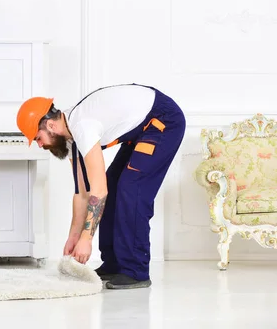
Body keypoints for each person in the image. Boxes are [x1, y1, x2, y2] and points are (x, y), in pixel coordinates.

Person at [15, 83, 185, 289]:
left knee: (132, 189)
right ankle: (114, 264)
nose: (40, 145)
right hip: (140, 129)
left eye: (38, 138)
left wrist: (87, 239)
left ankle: (135, 271)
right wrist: (74, 237)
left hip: (163, 121)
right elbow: (83, 193)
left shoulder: (81, 127)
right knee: (113, 183)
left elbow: (98, 191)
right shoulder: (70, 140)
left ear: (50, 125)